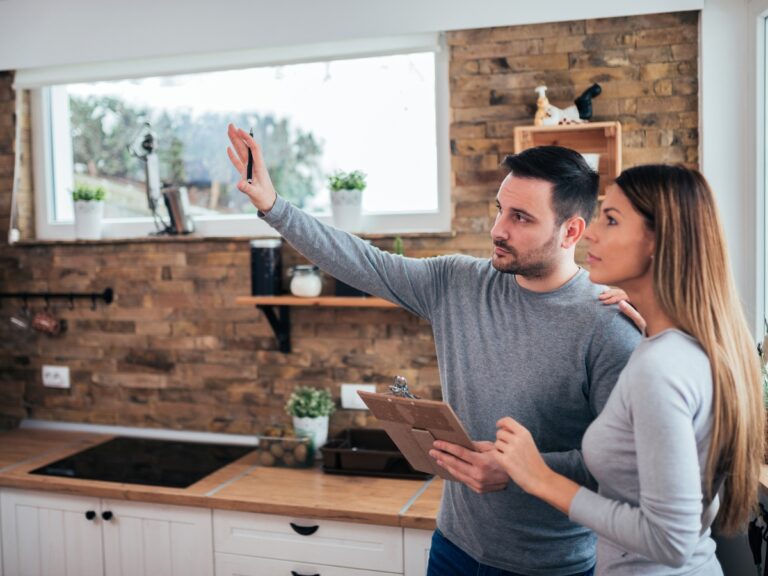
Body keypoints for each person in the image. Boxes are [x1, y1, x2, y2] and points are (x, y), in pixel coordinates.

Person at [226, 123, 641, 576]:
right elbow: (363, 262)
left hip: (549, 566)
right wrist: (273, 205)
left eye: (521, 218)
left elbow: (625, 465)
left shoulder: (608, 326)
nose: (497, 229)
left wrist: (522, 469)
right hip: (453, 549)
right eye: (500, 210)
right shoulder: (457, 282)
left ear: (571, 231)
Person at [493, 164, 765, 575]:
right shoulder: (685, 346)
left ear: (660, 242)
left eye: (612, 220)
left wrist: (539, 477)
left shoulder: (661, 368)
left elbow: (670, 540)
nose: (590, 232)